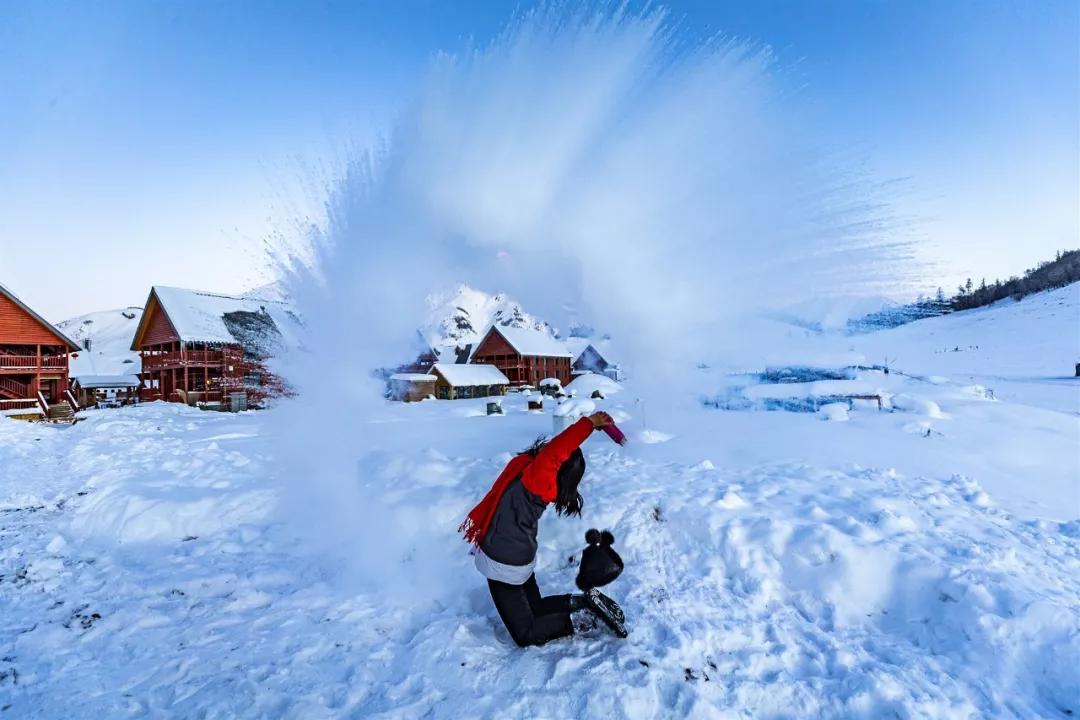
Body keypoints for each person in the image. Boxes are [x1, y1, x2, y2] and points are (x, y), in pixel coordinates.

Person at [459, 411, 616, 647]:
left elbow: (556, 451)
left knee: (526, 633)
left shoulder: (539, 480)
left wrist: (589, 424)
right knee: (537, 608)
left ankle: (585, 620)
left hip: (505, 561)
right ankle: (582, 604)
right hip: (516, 553)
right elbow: (555, 451)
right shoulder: (531, 472)